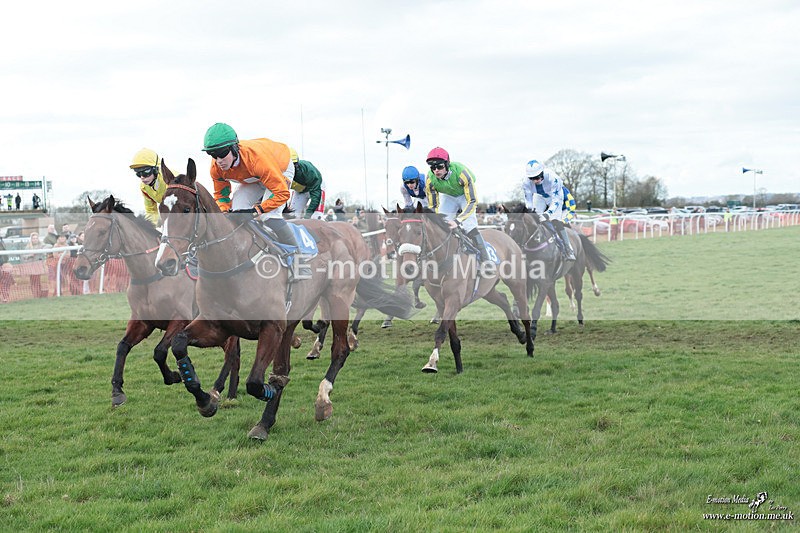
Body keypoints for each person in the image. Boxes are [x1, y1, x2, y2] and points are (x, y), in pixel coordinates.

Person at [202, 122, 301, 255]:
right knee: (237, 211)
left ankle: (298, 255)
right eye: (213, 154)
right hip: (254, 175)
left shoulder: (256, 161)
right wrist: (225, 213)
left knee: (269, 216)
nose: (218, 160)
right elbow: (221, 197)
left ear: (234, 148)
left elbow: (282, 194)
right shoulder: (216, 168)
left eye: (222, 153)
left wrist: (256, 211)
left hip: (280, 167)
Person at [423, 147, 489, 264]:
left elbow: (472, 201)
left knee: (469, 225)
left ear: (447, 164)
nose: (436, 171)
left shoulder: (462, 173)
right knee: (442, 225)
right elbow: (433, 206)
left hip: (465, 196)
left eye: (439, 167)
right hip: (448, 196)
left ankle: (486, 260)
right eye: (433, 168)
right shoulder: (430, 179)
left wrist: (458, 221)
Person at [522, 159, 576, 260]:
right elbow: (528, 201)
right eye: (532, 178)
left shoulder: (553, 178)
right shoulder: (526, 182)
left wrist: (548, 214)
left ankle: (568, 249)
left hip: (555, 196)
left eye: (537, 177)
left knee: (555, 220)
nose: (535, 180)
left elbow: (556, 200)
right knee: (535, 217)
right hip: (540, 196)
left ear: (542, 172)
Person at [130, 148, 170, 227]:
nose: (142, 177)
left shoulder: (169, 181)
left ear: (156, 169)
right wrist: (151, 230)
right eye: (138, 173)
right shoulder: (144, 188)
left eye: (146, 172)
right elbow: (151, 211)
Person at [287, 149, 326, 219]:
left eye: (294, 165)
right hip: (300, 190)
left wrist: (307, 216)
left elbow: (316, 197)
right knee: (293, 216)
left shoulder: (310, 172)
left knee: (316, 217)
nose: (292, 168)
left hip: (315, 187)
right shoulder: (279, 171)